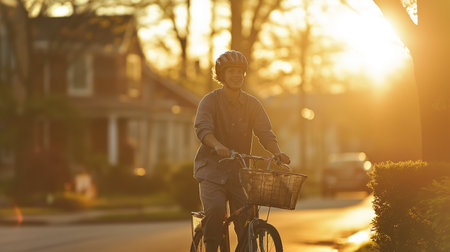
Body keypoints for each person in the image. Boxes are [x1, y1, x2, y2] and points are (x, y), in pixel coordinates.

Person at [194, 50, 290, 252]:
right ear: (221, 75)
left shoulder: (253, 104)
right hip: (212, 171)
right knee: (216, 210)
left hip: (240, 173)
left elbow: (265, 133)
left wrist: (277, 153)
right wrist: (217, 145)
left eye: (240, 71)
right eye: (231, 71)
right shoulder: (210, 101)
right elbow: (203, 130)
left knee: (247, 221)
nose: (236, 75)